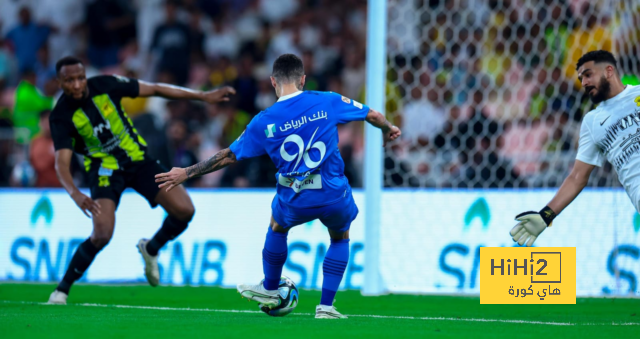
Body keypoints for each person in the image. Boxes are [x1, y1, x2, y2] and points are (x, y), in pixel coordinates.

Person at [155, 54, 401, 319]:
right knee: (340, 237)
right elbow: (372, 115)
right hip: (333, 192)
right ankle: (326, 307)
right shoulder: (327, 100)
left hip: (294, 197)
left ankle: (271, 287)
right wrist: (387, 128)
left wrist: (187, 172)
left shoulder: (263, 121)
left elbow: (227, 155)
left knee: (277, 224)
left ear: (273, 81)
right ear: (303, 79)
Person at [47, 56, 235, 304]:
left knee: (185, 210)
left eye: (80, 77)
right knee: (102, 233)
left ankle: (151, 248)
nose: (78, 84)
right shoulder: (60, 116)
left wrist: (203, 96)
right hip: (105, 170)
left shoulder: (105, 84)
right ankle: (62, 289)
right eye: (70, 80)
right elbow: (61, 163)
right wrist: (75, 193)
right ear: (60, 82)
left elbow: (155, 88)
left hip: (139, 161)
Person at [510, 50, 640, 246]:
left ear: (609, 71)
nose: (584, 82)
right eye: (581, 78)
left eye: (588, 74)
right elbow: (577, 177)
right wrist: (545, 216)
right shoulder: (592, 122)